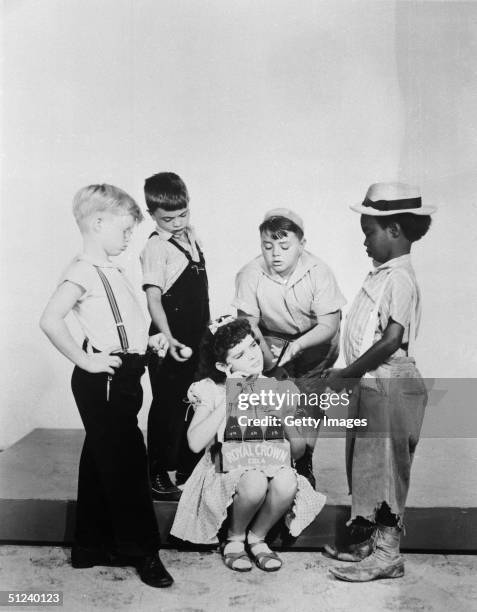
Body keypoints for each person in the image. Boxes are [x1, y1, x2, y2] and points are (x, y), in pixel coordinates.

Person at [39, 184, 173, 588]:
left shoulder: (110, 270)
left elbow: (123, 325)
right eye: (126, 229)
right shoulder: (82, 268)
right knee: (130, 461)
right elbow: (50, 319)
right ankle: (143, 550)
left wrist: (147, 341)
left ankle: (91, 546)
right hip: (106, 381)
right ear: (98, 223)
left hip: (126, 375)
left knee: (100, 460)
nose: (130, 236)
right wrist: (85, 360)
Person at [323, 182, 434, 582]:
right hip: (371, 383)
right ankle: (371, 543)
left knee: (387, 467)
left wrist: (345, 374)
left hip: (391, 384)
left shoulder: (400, 278)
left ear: (394, 231)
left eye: (369, 232)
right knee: (366, 466)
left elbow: (390, 340)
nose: (365, 242)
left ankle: (389, 554)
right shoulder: (383, 275)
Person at [170, 316, 326, 572]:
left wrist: (284, 420)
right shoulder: (211, 389)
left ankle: (257, 537)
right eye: (241, 354)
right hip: (227, 470)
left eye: (253, 345)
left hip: (270, 465)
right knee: (254, 481)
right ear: (223, 365)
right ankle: (235, 537)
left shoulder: (279, 388)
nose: (253, 356)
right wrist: (231, 394)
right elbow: (195, 444)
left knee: (287, 479)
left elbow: (297, 453)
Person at [233, 208, 346, 486]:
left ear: (301, 245)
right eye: (267, 246)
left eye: (284, 246)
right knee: (277, 399)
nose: (275, 254)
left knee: (309, 401)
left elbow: (328, 325)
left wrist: (296, 348)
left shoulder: (319, 271)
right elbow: (248, 324)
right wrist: (269, 360)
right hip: (270, 338)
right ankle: (279, 461)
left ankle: (305, 459)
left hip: (315, 339)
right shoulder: (249, 272)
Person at [140, 172, 210, 499]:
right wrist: (169, 338)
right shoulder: (156, 247)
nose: (178, 222)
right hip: (170, 338)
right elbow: (154, 299)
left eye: (183, 214)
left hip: (196, 338)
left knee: (194, 401)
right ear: (150, 215)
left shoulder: (191, 236)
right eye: (168, 219)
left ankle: (186, 466)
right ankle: (155, 472)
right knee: (166, 406)